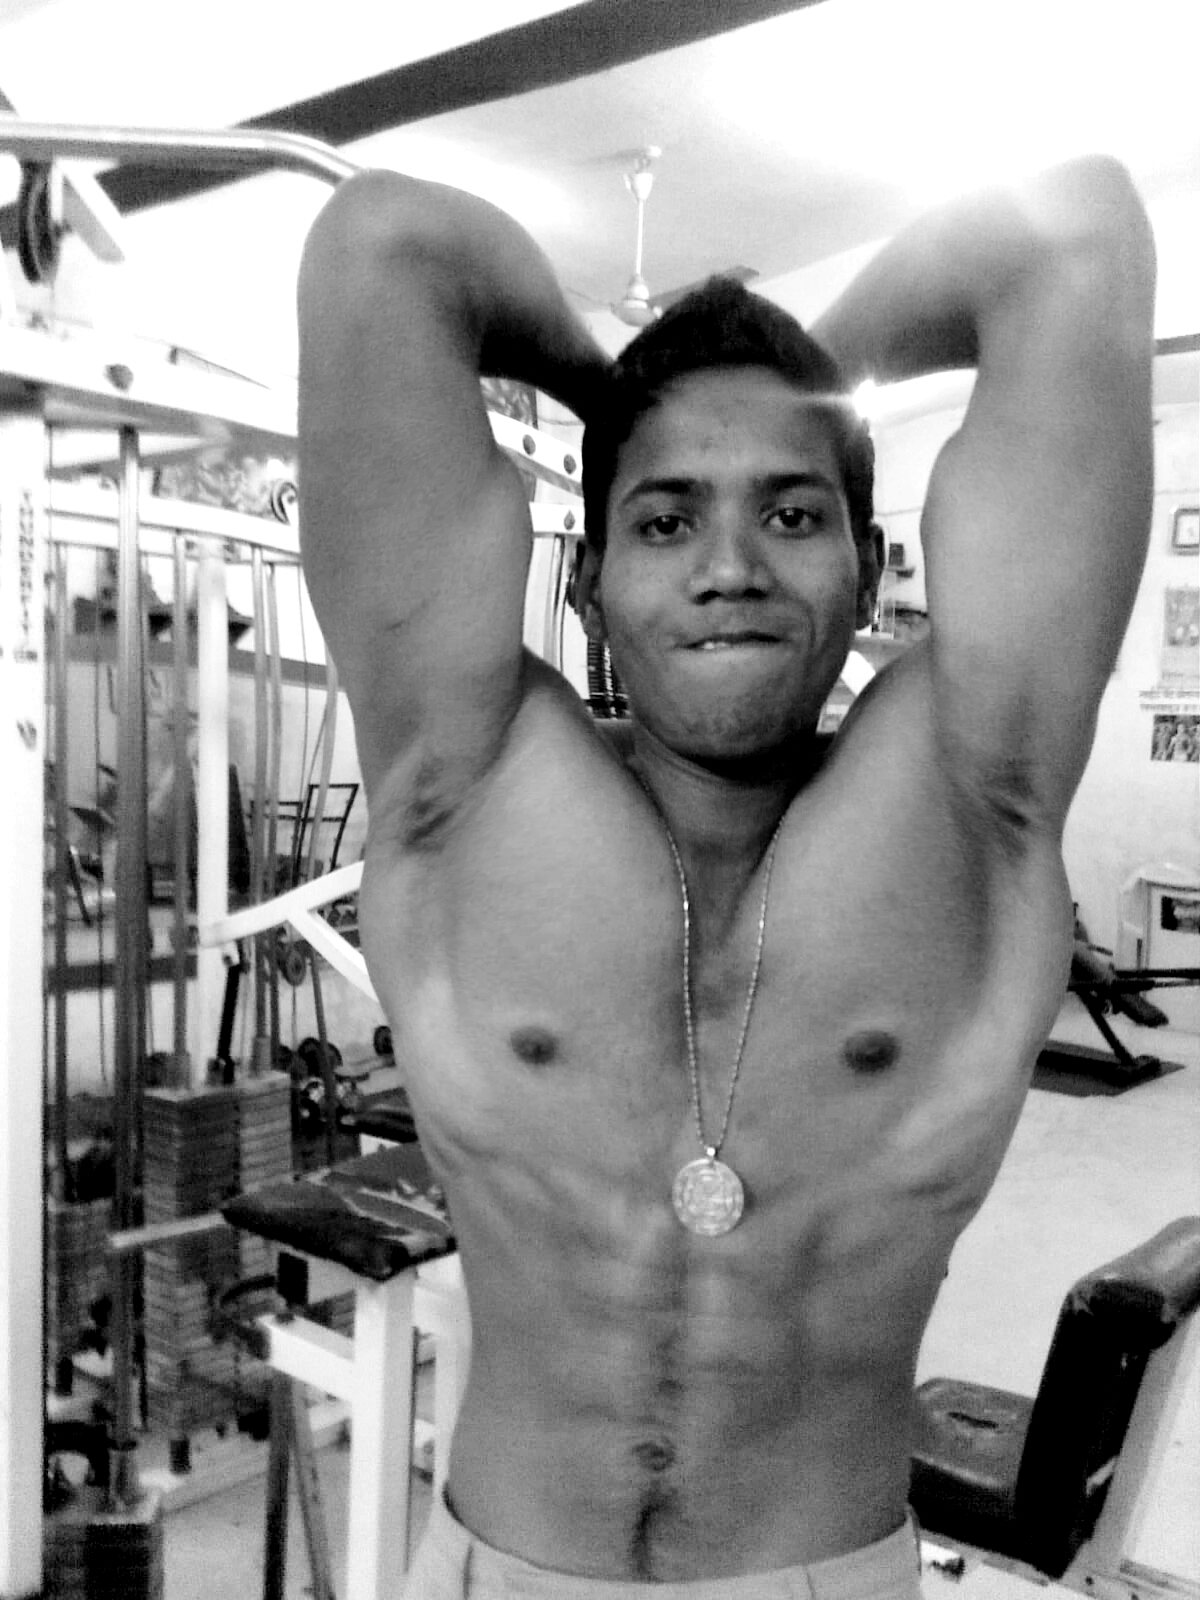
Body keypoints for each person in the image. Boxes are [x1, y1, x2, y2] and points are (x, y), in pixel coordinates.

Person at [297, 152, 1155, 1596]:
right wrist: (620, 390)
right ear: (588, 583)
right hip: (499, 1571)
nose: (731, 566)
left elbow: (1072, 233)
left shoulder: (974, 797)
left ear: (869, 565)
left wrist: (811, 372)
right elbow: (388, 246)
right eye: (667, 517)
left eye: (792, 513)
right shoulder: (463, 787)